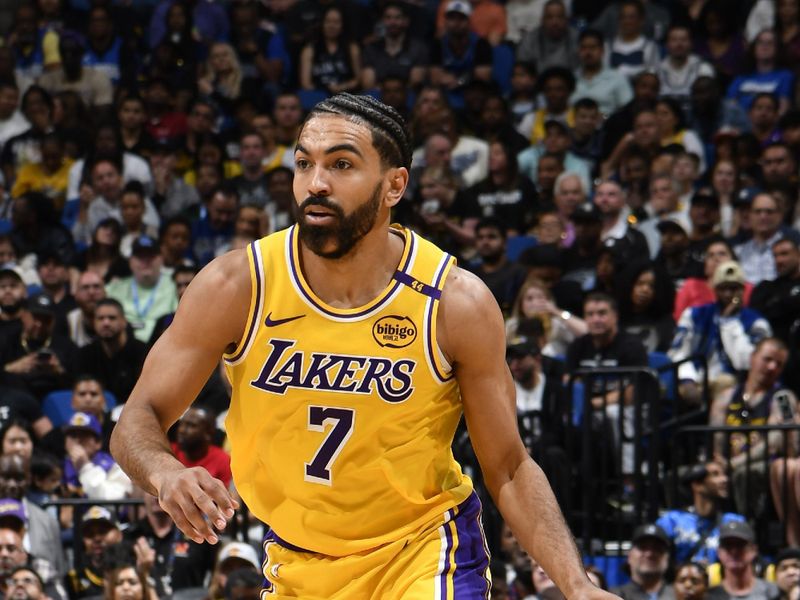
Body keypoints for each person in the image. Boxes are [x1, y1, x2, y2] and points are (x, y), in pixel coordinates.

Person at [111, 93, 614, 599]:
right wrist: (164, 472)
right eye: (304, 163)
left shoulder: (454, 303)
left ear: (394, 185)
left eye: (342, 164)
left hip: (420, 553)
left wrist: (578, 586)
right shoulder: (237, 285)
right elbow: (137, 418)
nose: (316, 183)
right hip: (294, 558)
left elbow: (508, 465)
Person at [657, 460, 746, 565]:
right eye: (715, 474)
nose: (725, 479)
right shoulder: (671, 521)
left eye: (724, 474)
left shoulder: (734, 522)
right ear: (697, 485)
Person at [708, 521, 780, 600]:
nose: (734, 552)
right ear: (719, 552)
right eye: (727, 546)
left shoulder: (773, 592)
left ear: (754, 550)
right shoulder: (710, 596)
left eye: (740, 545)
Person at [610, 524, 673, 600]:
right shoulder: (612, 596)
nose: (649, 554)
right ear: (629, 556)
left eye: (657, 548)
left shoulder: (682, 595)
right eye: (642, 547)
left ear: (667, 558)